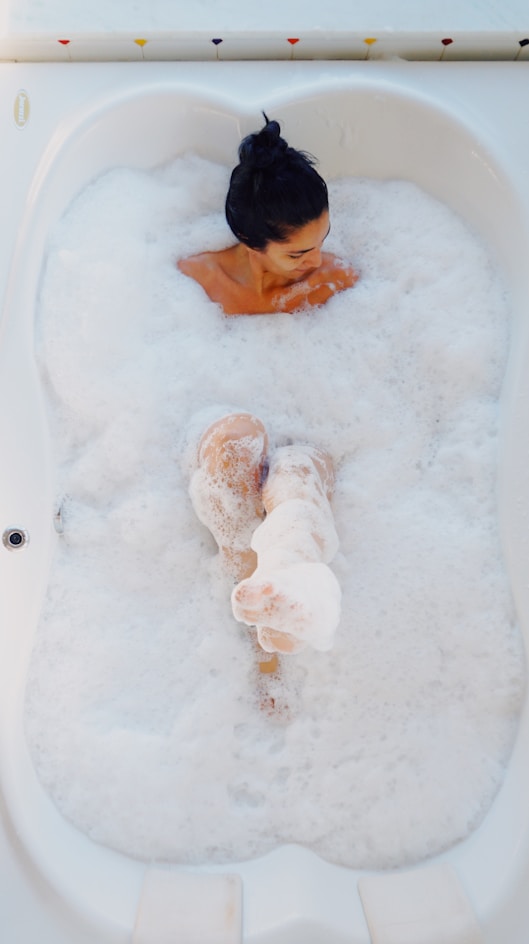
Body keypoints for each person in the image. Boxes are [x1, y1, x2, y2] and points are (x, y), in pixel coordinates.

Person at [178, 115, 358, 315]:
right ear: (250, 242)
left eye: (321, 241)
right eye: (296, 254)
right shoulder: (194, 283)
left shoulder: (336, 281)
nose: (317, 261)